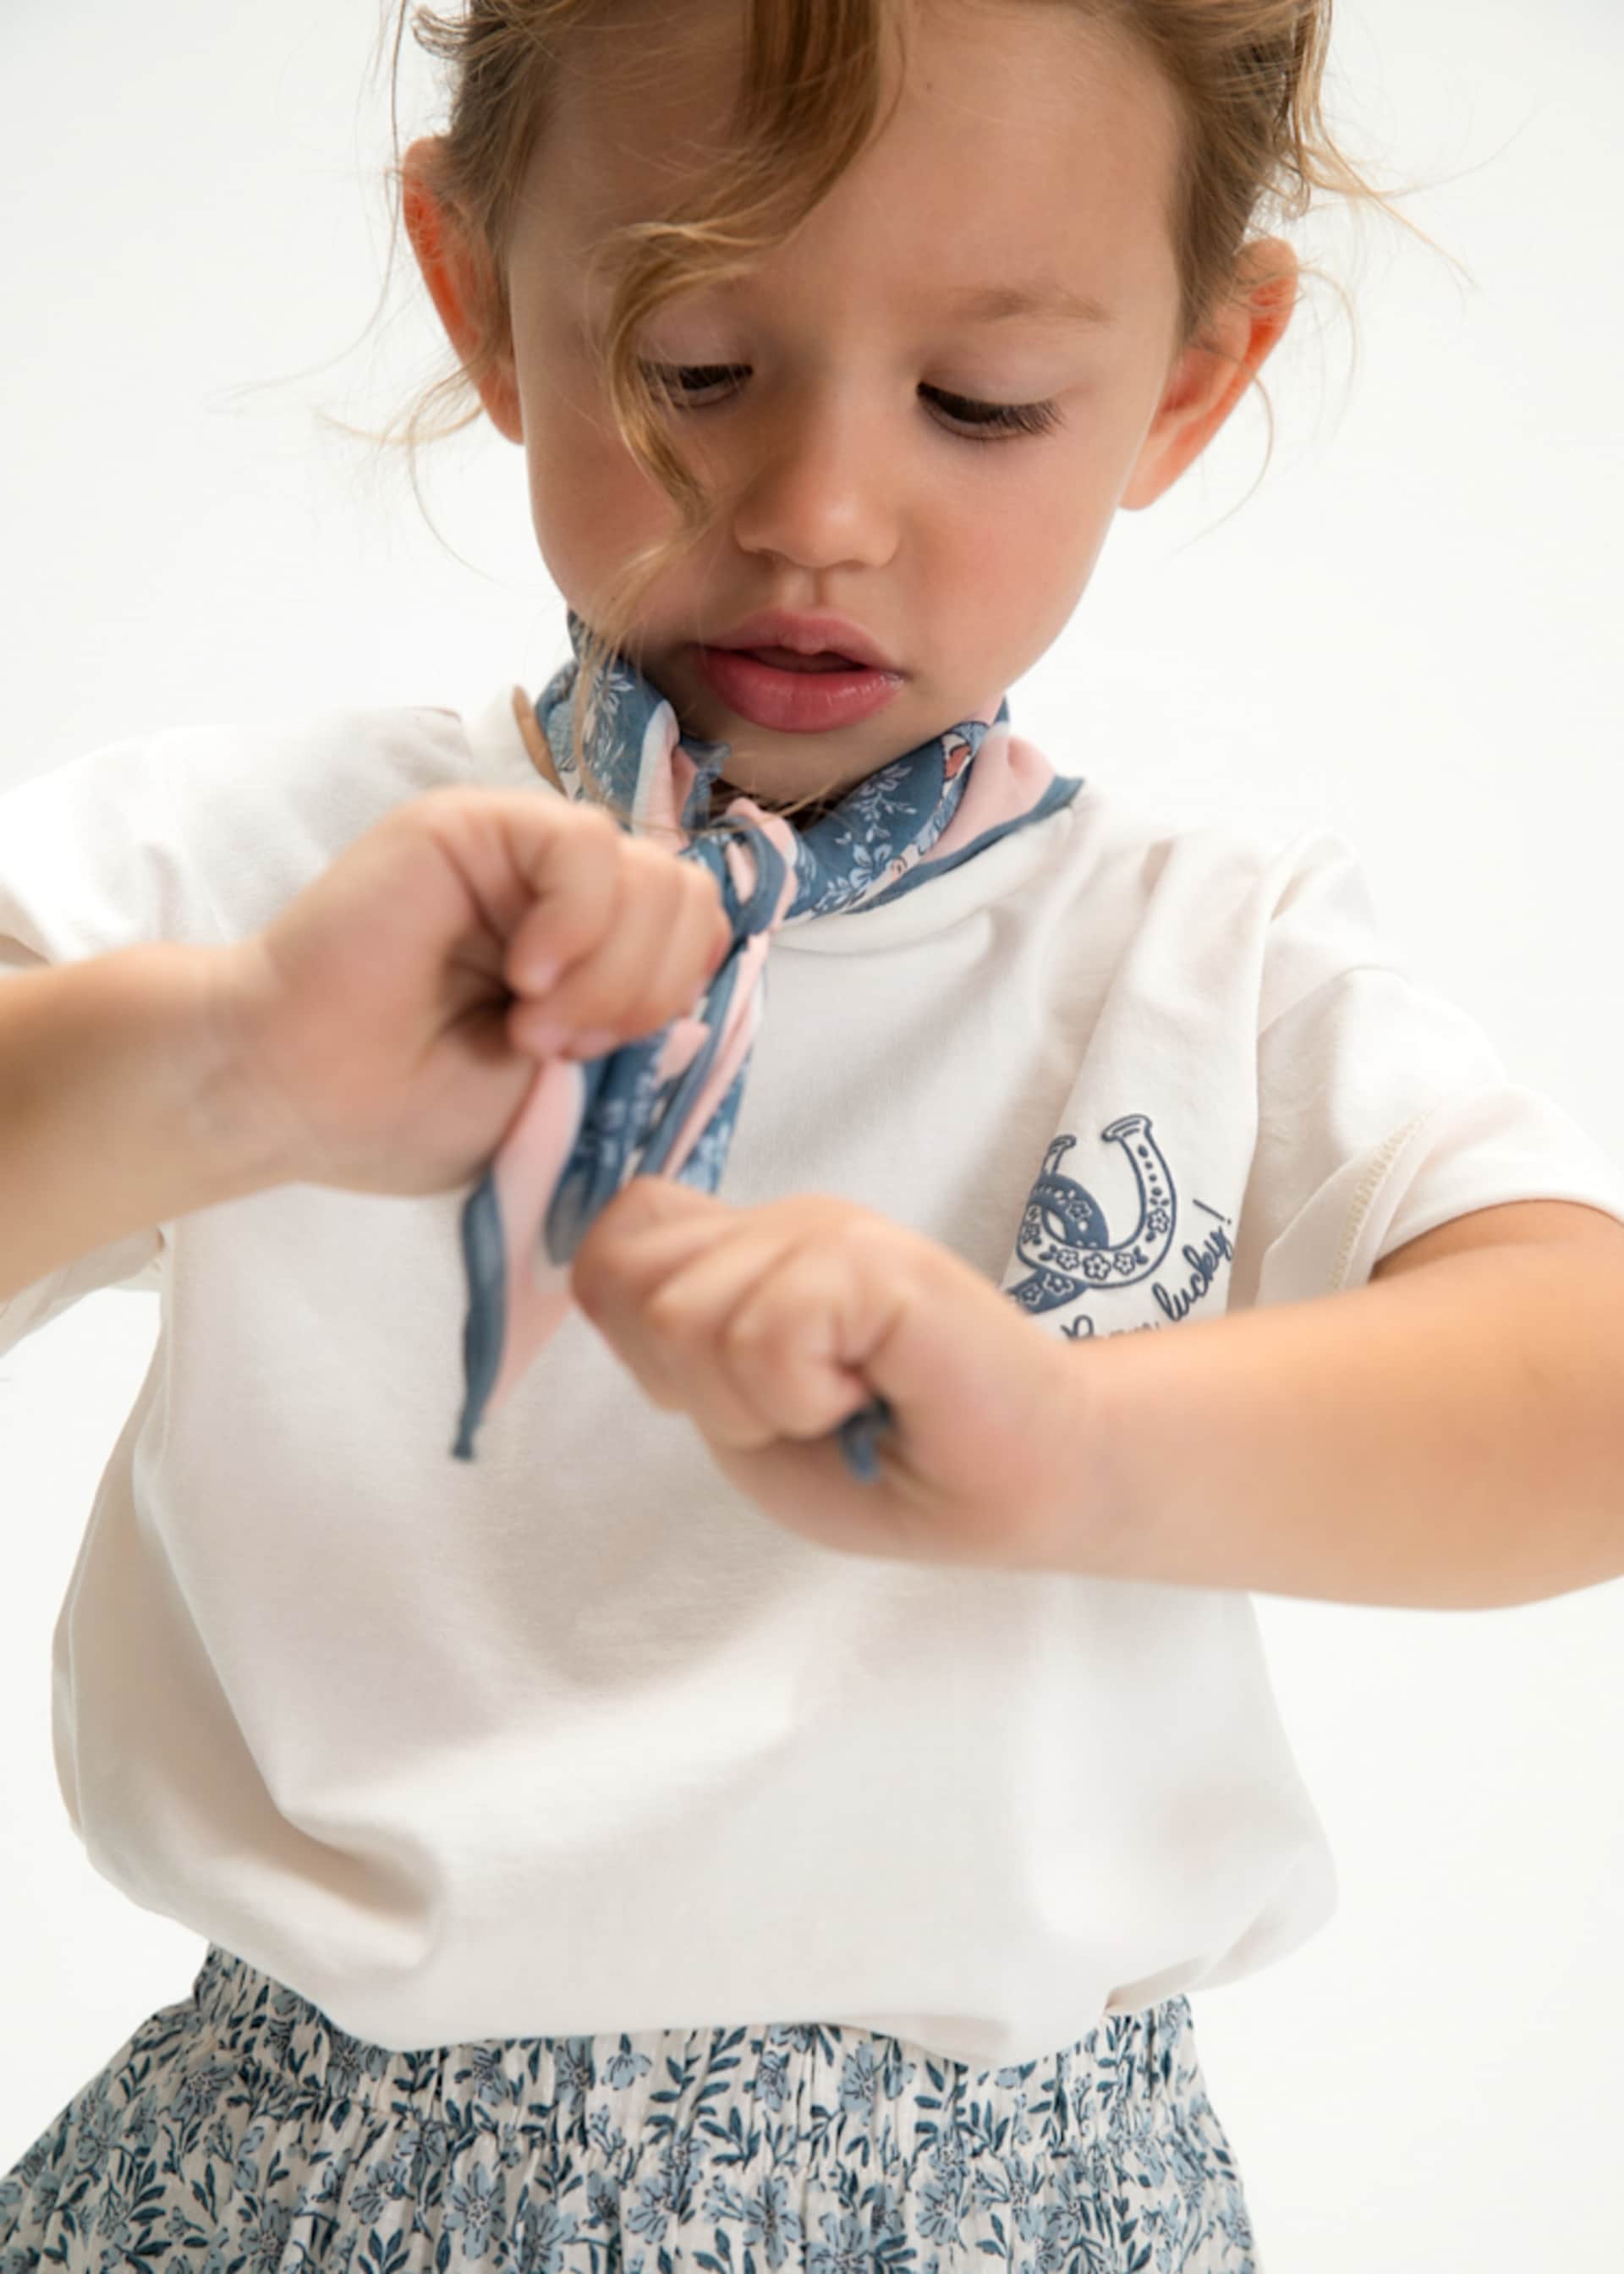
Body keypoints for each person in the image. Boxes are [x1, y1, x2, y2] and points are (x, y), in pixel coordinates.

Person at [3, 2, 1624, 2268]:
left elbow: (1583, 1381)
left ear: (1189, 381)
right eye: (692, 363)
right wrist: (229, 1067)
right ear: (477, 289)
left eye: (983, 402)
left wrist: (1081, 1448)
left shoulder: (1200, 955)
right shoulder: (266, 887)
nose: (817, 514)